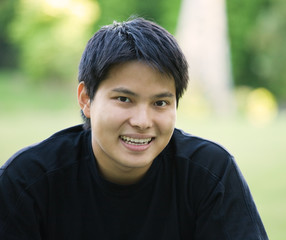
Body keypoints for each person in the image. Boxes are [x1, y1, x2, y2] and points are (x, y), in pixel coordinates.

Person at [0, 17, 268, 239]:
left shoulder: (210, 173)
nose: (142, 121)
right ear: (86, 99)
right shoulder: (26, 181)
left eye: (160, 102)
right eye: (124, 99)